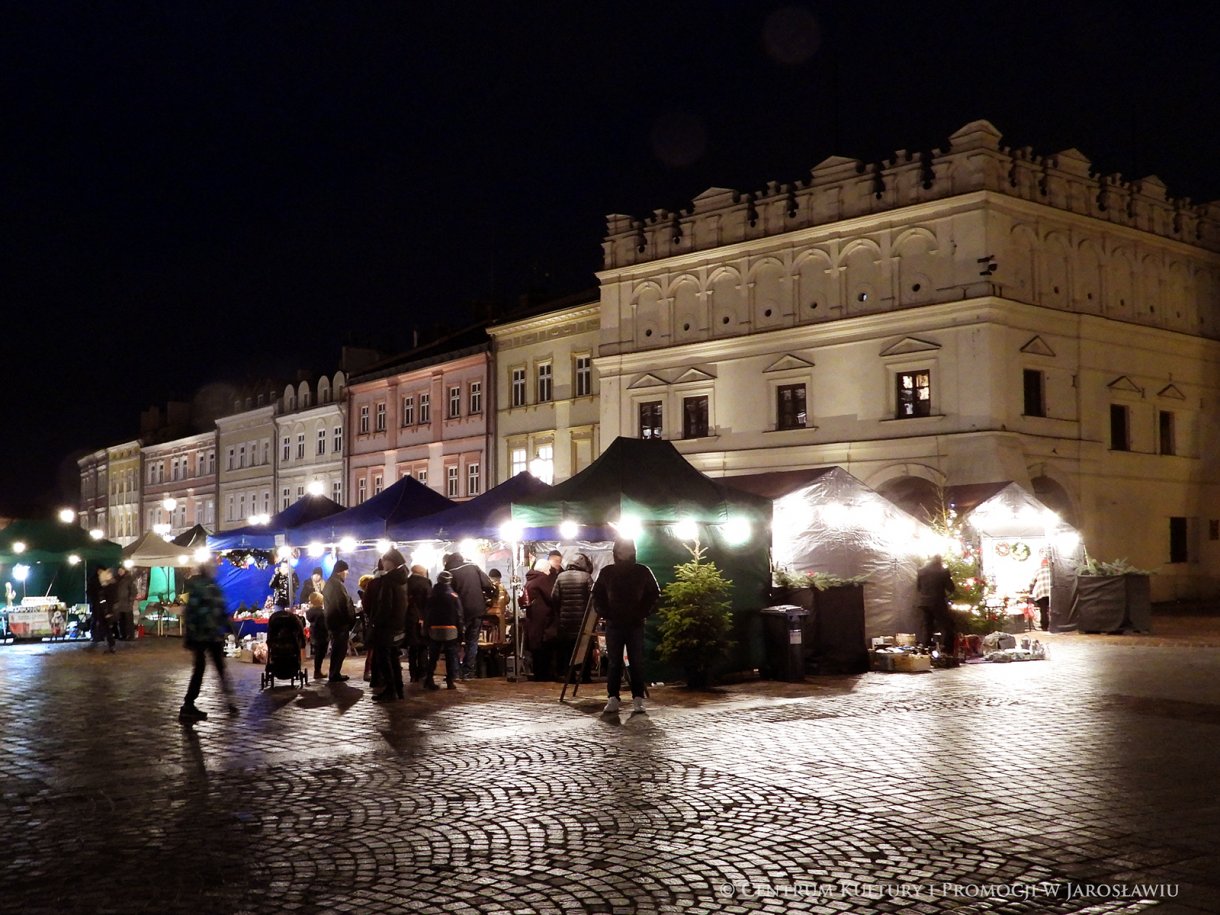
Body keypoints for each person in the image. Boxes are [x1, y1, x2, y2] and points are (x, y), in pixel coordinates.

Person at [592, 538, 659, 714]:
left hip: (634, 623)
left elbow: (654, 594)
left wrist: (643, 612)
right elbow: (597, 594)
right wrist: (605, 612)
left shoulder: (642, 571)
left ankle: (638, 698)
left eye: (628, 549)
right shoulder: (608, 572)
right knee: (614, 661)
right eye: (622, 549)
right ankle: (613, 697)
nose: (625, 552)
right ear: (616, 552)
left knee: (636, 661)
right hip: (614, 623)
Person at [179, 557, 236, 721]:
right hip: (208, 634)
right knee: (215, 667)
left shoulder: (199, 587)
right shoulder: (210, 587)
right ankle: (227, 701)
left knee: (202, 668)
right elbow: (217, 609)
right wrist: (223, 625)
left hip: (202, 634)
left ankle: (190, 704)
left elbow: (191, 611)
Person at [443, 551, 496, 679]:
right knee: (472, 642)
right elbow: (488, 585)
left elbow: (448, 595)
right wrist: (488, 599)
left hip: (460, 613)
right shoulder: (473, 567)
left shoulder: (450, 573)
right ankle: (468, 671)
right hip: (478, 610)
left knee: (455, 642)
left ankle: (455, 672)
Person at [367, 548, 410, 701]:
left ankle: (390, 690)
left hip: (386, 627)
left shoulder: (388, 580)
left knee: (384, 658)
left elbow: (385, 605)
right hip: (398, 624)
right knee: (393, 658)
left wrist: (376, 623)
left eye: (384, 560)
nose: (382, 563)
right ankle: (399, 689)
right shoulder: (403, 579)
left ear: (390, 562)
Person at [551, 553, 595, 683]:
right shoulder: (586, 577)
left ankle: (569, 676)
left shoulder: (560, 577)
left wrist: (562, 609)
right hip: (583, 620)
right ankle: (585, 675)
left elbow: (554, 597)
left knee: (568, 649)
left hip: (566, 620)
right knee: (585, 647)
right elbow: (593, 596)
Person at [424, 570, 462, 690]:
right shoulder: (453, 596)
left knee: (433, 655)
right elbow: (459, 615)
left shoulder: (431, 595)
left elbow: (427, 613)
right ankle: (450, 681)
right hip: (450, 628)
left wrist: (426, 627)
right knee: (451, 655)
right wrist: (461, 631)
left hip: (434, 628)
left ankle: (429, 678)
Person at [522, 558, 558, 680]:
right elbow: (552, 596)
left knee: (536, 648)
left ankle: (538, 673)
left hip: (532, 618)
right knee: (545, 648)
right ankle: (545, 674)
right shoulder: (543, 580)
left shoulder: (530, 580)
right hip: (544, 620)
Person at [322, 560, 355, 683]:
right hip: (339, 623)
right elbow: (342, 604)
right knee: (339, 649)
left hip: (334, 622)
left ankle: (335, 673)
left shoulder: (331, 583)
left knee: (338, 648)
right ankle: (334, 673)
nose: (346, 574)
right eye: (346, 572)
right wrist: (348, 619)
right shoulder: (336, 585)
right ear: (340, 571)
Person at [916, 554, 957, 653]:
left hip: (924, 603)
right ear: (940, 560)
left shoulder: (921, 570)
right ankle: (946, 651)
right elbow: (951, 588)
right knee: (946, 626)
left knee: (927, 627)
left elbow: (918, 587)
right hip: (938, 602)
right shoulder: (943, 571)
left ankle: (925, 650)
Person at [406, 564, 432, 682]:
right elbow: (429, 601)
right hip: (422, 618)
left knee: (412, 646)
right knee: (423, 645)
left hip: (410, 617)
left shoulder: (407, 582)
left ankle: (413, 673)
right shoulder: (425, 582)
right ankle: (422, 672)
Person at [89, 567, 116, 653]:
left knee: (107, 628)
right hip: (103, 610)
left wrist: (109, 611)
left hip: (106, 610)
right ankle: (110, 645)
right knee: (105, 627)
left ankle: (111, 645)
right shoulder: (105, 587)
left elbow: (110, 600)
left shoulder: (109, 587)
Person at [305, 591, 328, 680]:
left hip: (314, 634)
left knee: (318, 654)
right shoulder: (321, 613)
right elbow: (324, 625)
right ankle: (317, 671)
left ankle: (317, 670)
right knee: (320, 654)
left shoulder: (309, 612)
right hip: (321, 635)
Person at [112, 564, 137, 640]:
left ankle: (130, 635)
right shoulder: (116, 579)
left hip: (126, 604)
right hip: (118, 604)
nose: (120, 572)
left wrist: (131, 600)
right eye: (119, 570)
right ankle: (123, 635)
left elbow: (133, 591)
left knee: (128, 621)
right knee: (121, 621)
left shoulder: (129, 579)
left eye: (121, 570)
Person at [1030, 555, 1052, 632]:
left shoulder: (1038, 571)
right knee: (1052, 610)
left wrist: (1031, 591)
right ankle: (1053, 626)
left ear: (1041, 564)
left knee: (1043, 610)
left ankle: (1044, 627)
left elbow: (1032, 582)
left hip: (1041, 593)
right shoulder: (1051, 570)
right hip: (1051, 592)